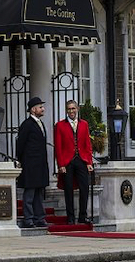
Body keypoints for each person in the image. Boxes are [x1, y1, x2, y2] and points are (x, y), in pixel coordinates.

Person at [54, 99, 94, 224]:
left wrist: (89, 162)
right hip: (67, 161)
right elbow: (58, 146)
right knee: (68, 189)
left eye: (73, 108)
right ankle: (70, 217)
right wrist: (60, 165)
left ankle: (83, 216)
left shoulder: (84, 124)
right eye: (69, 109)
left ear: (77, 109)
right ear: (66, 111)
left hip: (81, 160)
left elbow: (87, 144)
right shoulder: (60, 125)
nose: (71, 111)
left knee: (84, 188)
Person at [15, 96, 50, 228]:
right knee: (29, 194)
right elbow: (21, 144)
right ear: (33, 109)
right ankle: (28, 218)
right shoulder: (27, 124)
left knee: (38, 194)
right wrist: (20, 160)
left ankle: (39, 217)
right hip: (30, 164)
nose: (43, 109)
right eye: (40, 107)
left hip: (40, 164)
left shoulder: (40, 123)